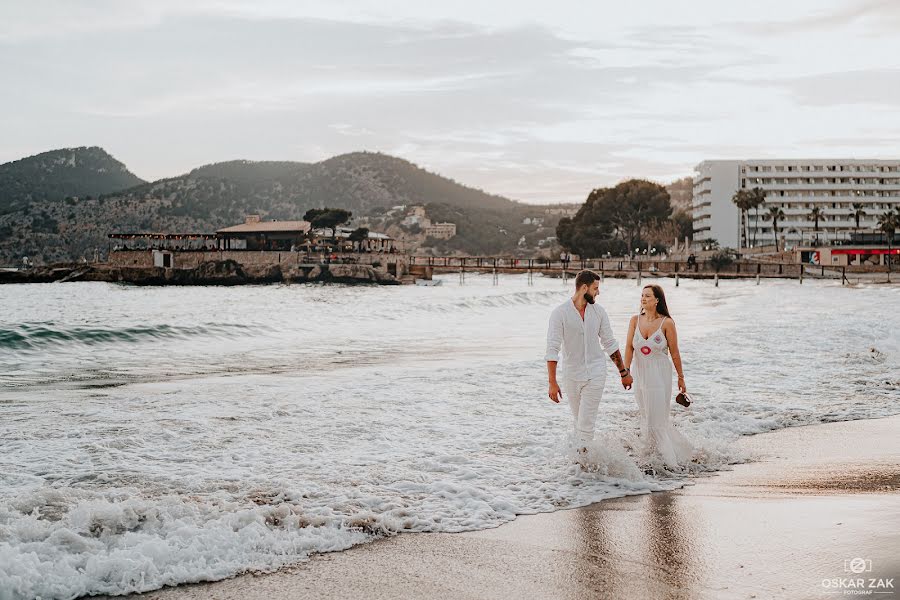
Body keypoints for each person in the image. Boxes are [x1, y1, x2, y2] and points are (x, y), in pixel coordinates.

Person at [545, 270, 633, 460]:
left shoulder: (599, 312)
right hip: (571, 375)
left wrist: (623, 372)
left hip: (596, 373)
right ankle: (583, 463)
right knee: (579, 422)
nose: (597, 293)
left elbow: (609, 343)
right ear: (584, 288)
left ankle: (585, 468)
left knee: (585, 425)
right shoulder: (560, 314)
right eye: (595, 288)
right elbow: (552, 348)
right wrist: (552, 382)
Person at [625, 284, 695, 472]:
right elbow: (629, 348)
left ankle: (669, 465)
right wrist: (626, 371)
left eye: (647, 296)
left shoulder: (667, 323)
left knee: (655, 419)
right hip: (640, 374)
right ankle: (652, 459)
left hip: (659, 374)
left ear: (657, 300)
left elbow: (675, 353)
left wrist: (681, 377)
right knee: (646, 415)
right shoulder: (634, 321)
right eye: (642, 295)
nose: (643, 298)